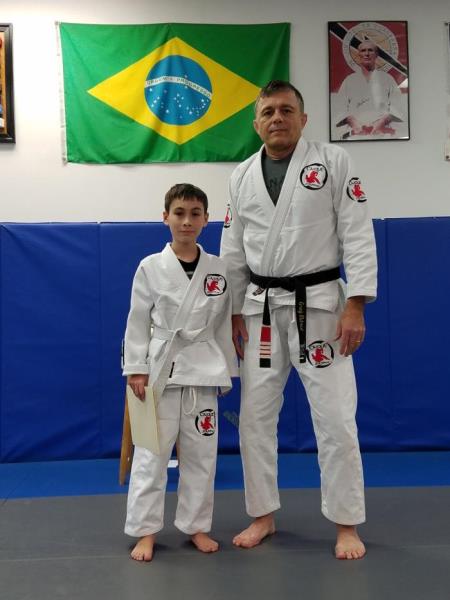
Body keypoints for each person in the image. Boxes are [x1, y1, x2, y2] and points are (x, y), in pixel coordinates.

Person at [220, 80, 377, 560]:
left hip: (321, 307)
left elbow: (357, 232)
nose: (277, 118)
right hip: (262, 311)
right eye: (268, 112)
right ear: (256, 123)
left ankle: (346, 523)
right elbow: (232, 249)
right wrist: (232, 311)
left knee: (335, 418)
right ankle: (262, 514)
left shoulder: (332, 162)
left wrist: (356, 304)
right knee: (254, 418)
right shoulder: (241, 176)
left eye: (286, 110)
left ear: (303, 119)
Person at [122, 183, 237, 561]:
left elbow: (222, 325)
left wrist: (227, 372)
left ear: (206, 220)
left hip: (204, 372)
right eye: (179, 213)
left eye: (195, 214)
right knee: (150, 456)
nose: (187, 221)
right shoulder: (150, 267)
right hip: (159, 373)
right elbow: (138, 322)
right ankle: (146, 531)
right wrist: (135, 370)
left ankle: (196, 526)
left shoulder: (218, 269)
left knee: (202, 457)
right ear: (166, 217)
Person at [335, 40, 404, 139]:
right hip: (356, 133)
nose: (366, 54)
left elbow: (398, 107)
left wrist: (382, 121)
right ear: (359, 55)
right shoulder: (349, 80)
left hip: (382, 133)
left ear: (376, 55)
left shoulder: (387, 79)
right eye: (363, 51)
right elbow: (339, 108)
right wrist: (353, 122)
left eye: (370, 50)